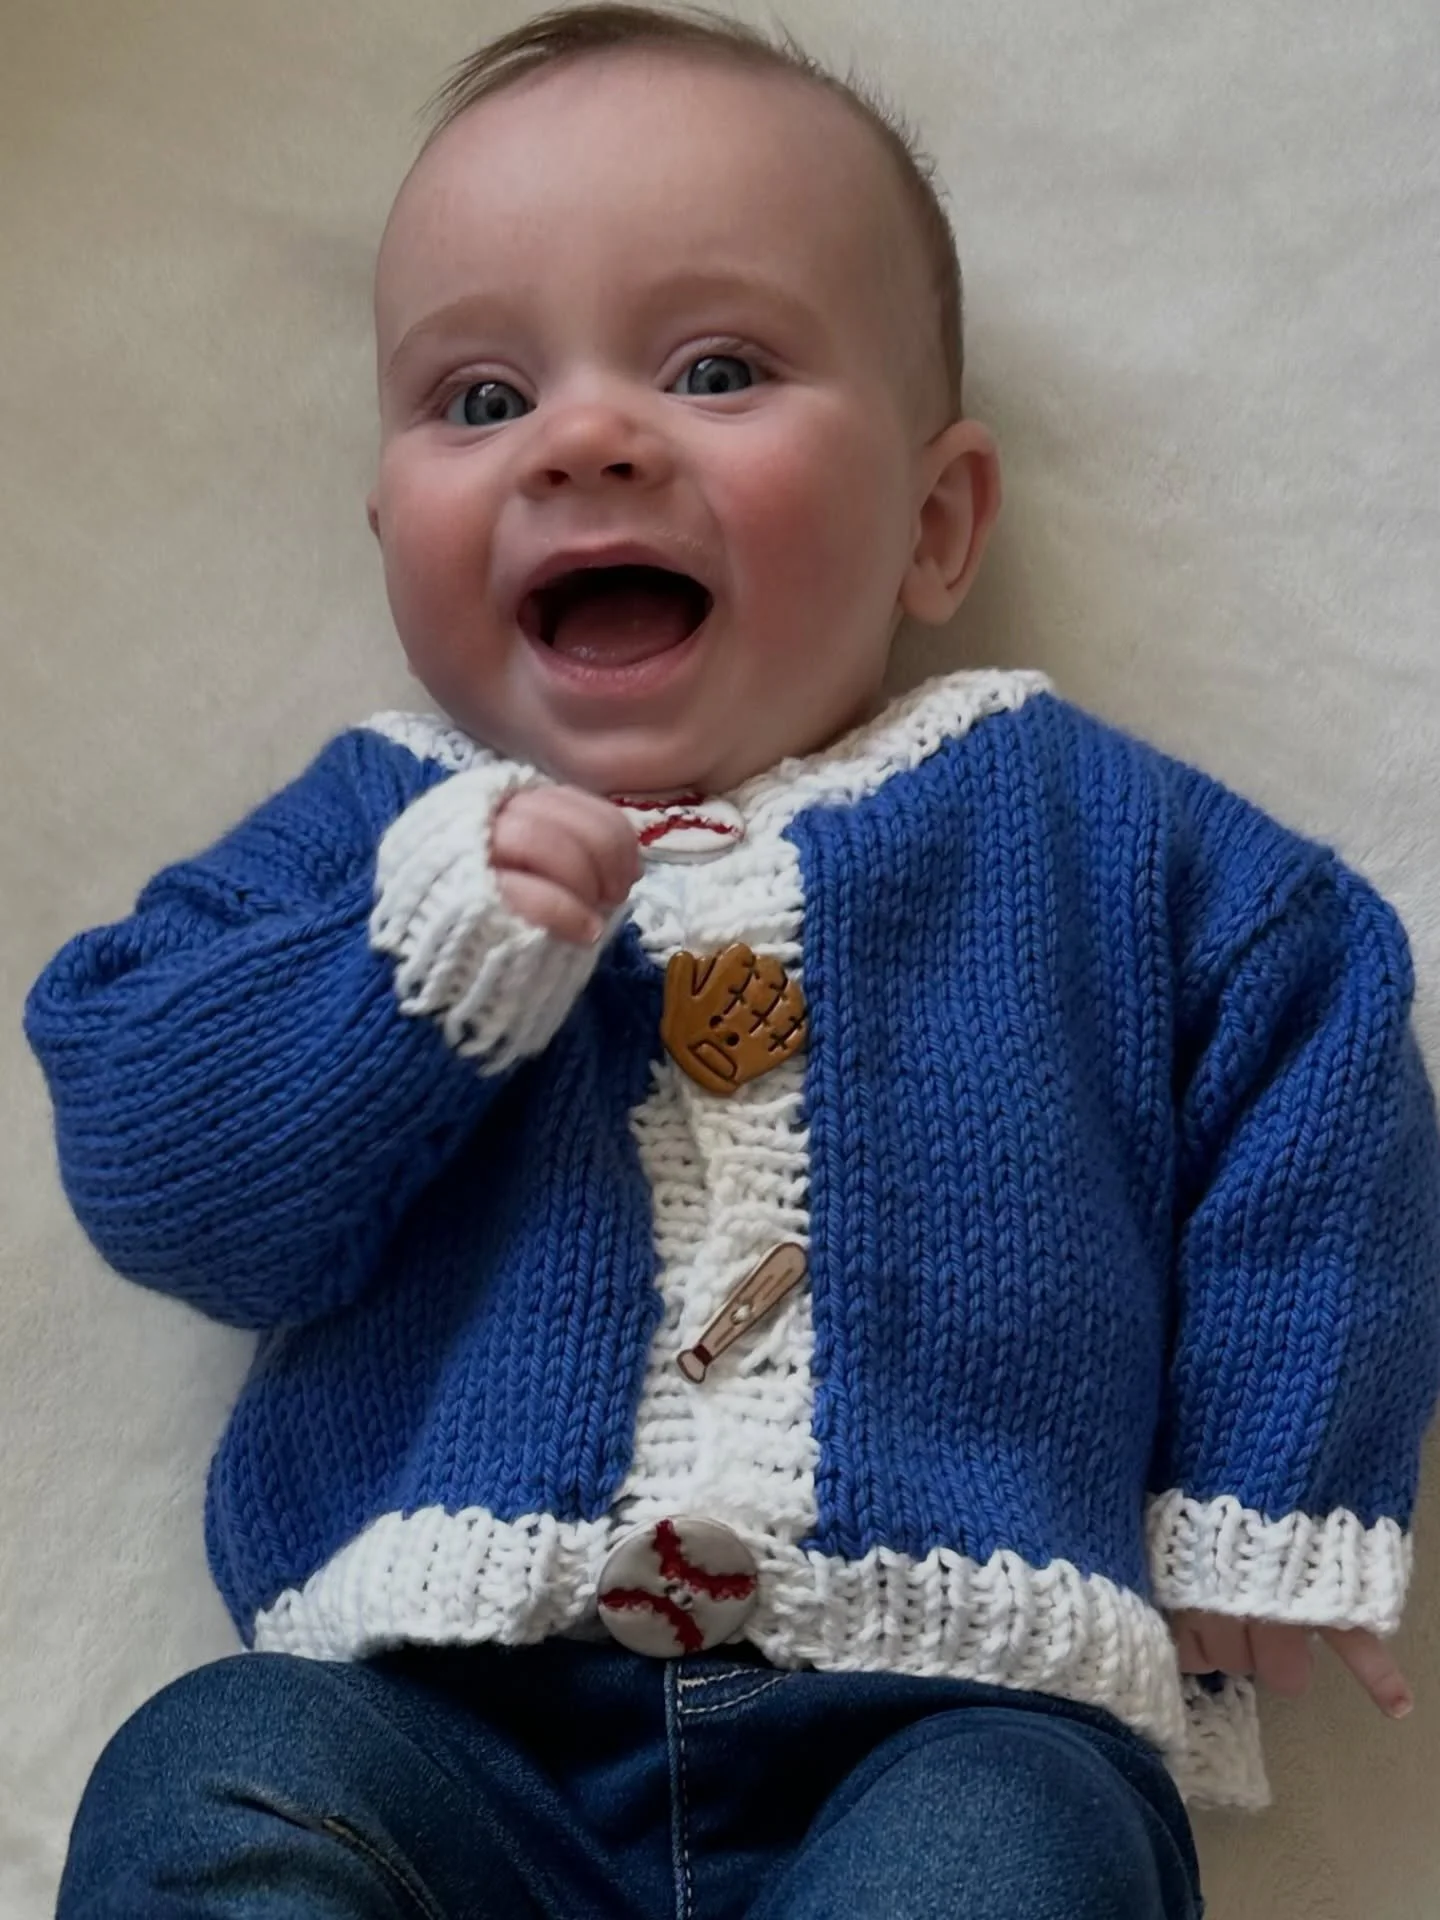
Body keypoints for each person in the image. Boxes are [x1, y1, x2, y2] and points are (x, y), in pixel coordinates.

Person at [26, 4, 1440, 1916]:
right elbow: (155, 1151)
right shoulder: (369, 839)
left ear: (934, 523)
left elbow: (1317, 1013)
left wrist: (1270, 1477)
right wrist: (414, 983)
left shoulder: (1074, 828)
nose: (588, 437)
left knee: (1012, 1864)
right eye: (478, 399)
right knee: (213, 1778)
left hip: (947, 1709)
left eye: (715, 366)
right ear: (389, 530)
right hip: (442, 1727)